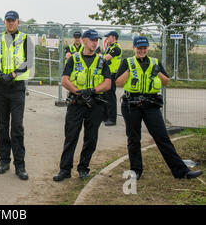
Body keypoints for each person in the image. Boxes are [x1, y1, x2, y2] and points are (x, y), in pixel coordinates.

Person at [115, 36, 202, 180]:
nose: (142, 50)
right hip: (131, 104)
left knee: (162, 137)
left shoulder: (155, 62)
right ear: (134, 48)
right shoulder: (127, 62)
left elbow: (166, 81)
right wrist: (129, 72)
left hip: (151, 105)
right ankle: (136, 171)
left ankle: (182, 172)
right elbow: (118, 82)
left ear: (148, 48)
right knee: (134, 139)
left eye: (144, 48)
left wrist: (158, 72)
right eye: (139, 48)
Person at [53, 29, 111, 182]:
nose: (95, 43)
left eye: (96, 40)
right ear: (84, 40)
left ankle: (83, 168)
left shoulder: (101, 60)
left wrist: (92, 91)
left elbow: (108, 83)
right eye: (92, 40)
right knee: (71, 137)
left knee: (90, 138)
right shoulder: (74, 59)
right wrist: (78, 92)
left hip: (95, 104)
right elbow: (65, 80)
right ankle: (65, 170)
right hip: (76, 103)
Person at [0, 10, 34, 181]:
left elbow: (28, 61)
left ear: (18, 22)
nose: (10, 23)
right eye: (8, 21)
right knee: (2, 126)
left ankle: (20, 165)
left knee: (16, 126)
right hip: (0, 86)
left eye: (13, 21)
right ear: (4, 22)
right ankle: (4, 161)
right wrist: (1, 75)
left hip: (16, 87)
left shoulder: (25, 39)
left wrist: (13, 74)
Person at [103, 31, 123, 126]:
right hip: (107, 74)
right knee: (106, 95)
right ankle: (106, 116)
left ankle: (112, 118)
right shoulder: (110, 47)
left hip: (112, 74)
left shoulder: (116, 48)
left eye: (108, 37)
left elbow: (106, 58)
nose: (107, 39)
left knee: (110, 96)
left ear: (113, 37)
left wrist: (98, 57)